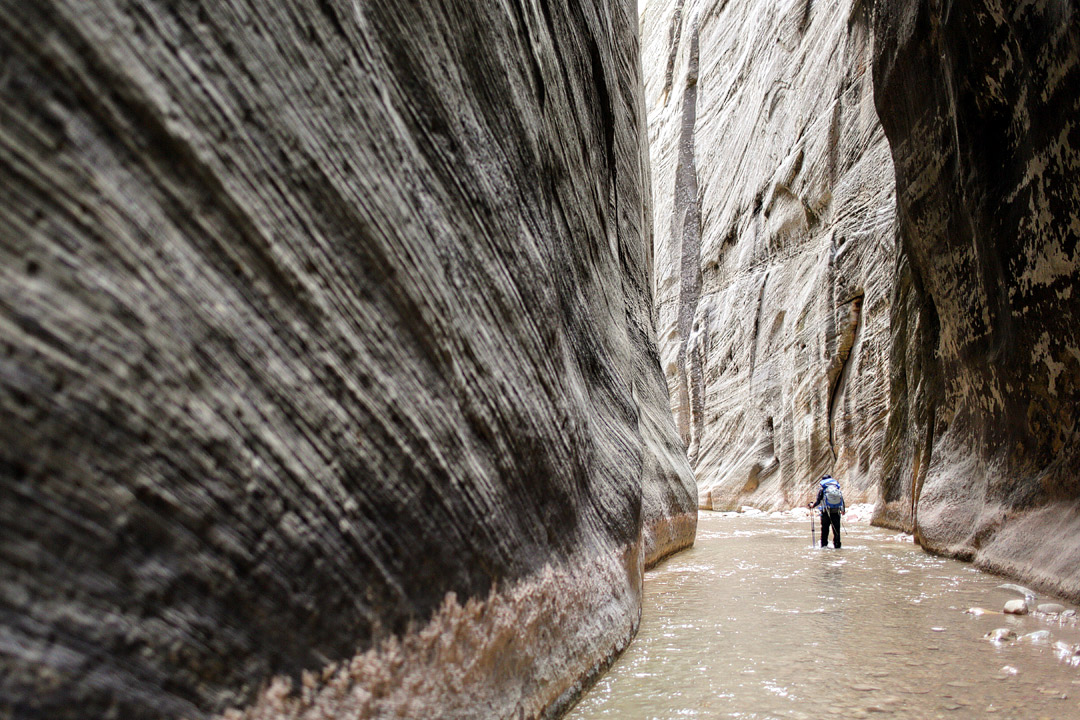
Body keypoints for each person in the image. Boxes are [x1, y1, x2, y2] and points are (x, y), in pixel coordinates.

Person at [807, 474, 845, 548]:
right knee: (836, 531)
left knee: (825, 530)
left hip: (826, 513)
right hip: (836, 512)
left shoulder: (822, 490)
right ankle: (837, 546)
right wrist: (843, 510)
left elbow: (818, 501)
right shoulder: (836, 489)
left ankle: (824, 545)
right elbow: (842, 500)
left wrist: (812, 506)